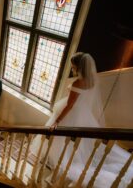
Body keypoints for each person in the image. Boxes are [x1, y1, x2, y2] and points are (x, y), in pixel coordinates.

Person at [46, 52, 133, 187]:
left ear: (79, 67)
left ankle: (63, 163)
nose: (72, 68)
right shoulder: (91, 80)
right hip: (84, 113)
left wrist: (57, 121)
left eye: (73, 65)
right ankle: (73, 160)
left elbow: (70, 106)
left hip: (73, 113)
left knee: (63, 141)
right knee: (81, 143)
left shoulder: (77, 82)